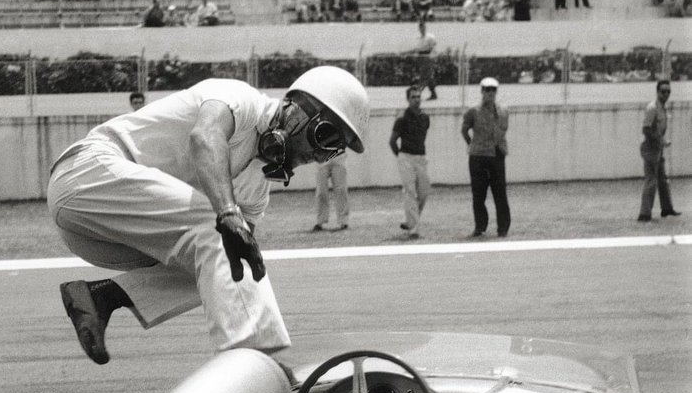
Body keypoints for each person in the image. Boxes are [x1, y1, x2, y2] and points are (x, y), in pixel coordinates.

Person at [47, 66, 369, 363]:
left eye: (332, 149)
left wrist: (232, 225)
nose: (319, 154)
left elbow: (236, 273)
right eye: (325, 136)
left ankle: (101, 297)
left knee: (233, 263)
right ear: (294, 108)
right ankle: (251, 365)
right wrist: (228, 212)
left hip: (98, 237)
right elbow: (205, 137)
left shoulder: (258, 189)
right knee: (219, 230)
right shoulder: (240, 99)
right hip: (86, 175)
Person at [461, 77, 511, 238]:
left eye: (493, 90)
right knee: (479, 193)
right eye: (487, 90)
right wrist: (472, 144)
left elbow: (503, 131)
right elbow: (464, 130)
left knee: (500, 192)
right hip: (478, 155)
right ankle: (480, 226)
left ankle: (503, 227)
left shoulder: (503, 111)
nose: (490, 93)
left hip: (497, 154)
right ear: (482, 91)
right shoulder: (473, 111)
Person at [389, 85, 431, 239]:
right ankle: (414, 229)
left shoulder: (425, 118)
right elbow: (392, 141)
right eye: (413, 97)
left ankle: (410, 220)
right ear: (408, 99)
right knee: (410, 192)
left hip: (421, 157)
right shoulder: (401, 119)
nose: (416, 100)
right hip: (406, 156)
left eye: (418, 97)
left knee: (424, 191)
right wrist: (400, 157)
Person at [637, 79, 681, 222]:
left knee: (662, 179)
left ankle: (667, 208)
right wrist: (659, 140)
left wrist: (661, 142)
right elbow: (646, 129)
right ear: (657, 92)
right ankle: (644, 214)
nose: (666, 94)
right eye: (663, 91)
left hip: (658, 149)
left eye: (668, 91)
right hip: (650, 149)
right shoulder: (652, 108)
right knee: (651, 181)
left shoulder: (662, 108)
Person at [312, 155, 349, 232]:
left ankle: (343, 221)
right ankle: (320, 221)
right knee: (321, 191)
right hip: (321, 160)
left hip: (339, 158)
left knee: (341, 190)